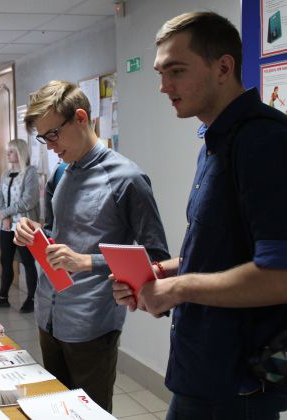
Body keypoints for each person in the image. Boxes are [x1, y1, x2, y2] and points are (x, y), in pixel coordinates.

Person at [112, 12, 287, 419]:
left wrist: (178, 289)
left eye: (176, 71)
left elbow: (280, 275)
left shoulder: (265, 142)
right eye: (160, 73)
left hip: (239, 385)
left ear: (223, 67)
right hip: (202, 368)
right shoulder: (215, 141)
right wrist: (160, 273)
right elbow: (222, 252)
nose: (164, 87)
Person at [13, 80, 169, 412]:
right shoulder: (60, 173)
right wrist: (34, 234)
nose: (49, 146)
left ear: (81, 118)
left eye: (53, 135)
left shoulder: (127, 178)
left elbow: (157, 259)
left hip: (92, 322)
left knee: (91, 414)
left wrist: (87, 262)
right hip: (48, 313)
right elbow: (56, 232)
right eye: (43, 138)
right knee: (55, 411)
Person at [0, 139, 40, 313]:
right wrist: (5, 215)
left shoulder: (30, 173)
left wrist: (6, 213)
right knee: (5, 260)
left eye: (11, 151)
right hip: (7, 225)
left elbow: (29, 200)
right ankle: (3, 297)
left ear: (21, 153)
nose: (7, 154)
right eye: (8, 151)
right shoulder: (6, 173)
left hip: (23, 225)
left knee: (27, 262)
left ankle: (32, 298)